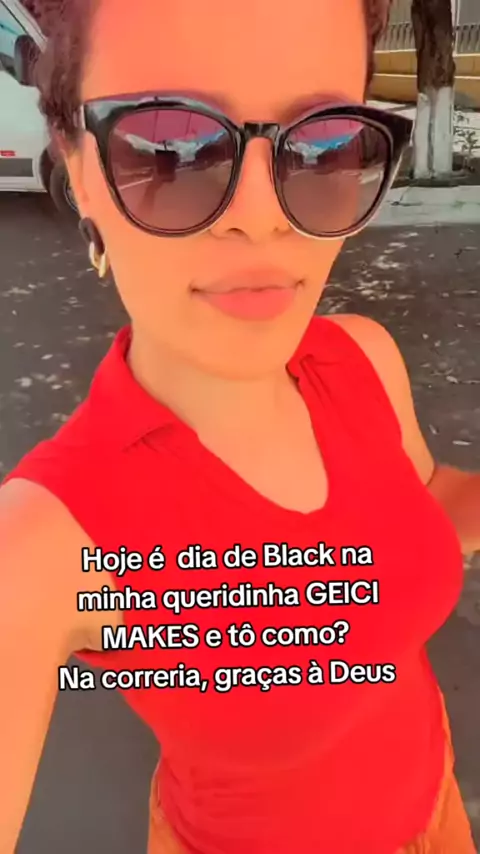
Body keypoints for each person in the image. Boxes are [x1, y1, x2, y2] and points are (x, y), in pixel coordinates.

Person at [1, 0, 479, 852]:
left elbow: (423, 506)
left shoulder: (361, 360)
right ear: (78, 170)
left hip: (436, 809)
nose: (263, 218)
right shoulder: (48, 535)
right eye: (168, 149)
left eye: (324, 146)